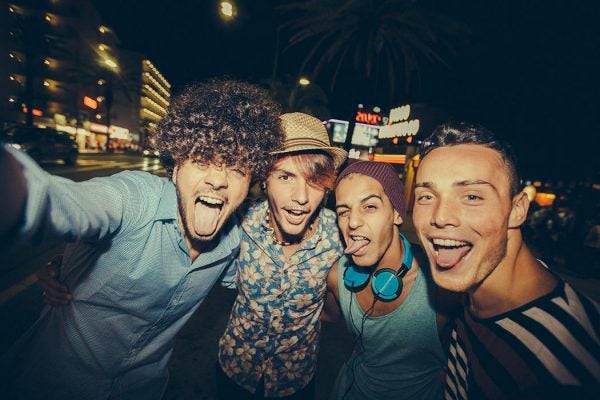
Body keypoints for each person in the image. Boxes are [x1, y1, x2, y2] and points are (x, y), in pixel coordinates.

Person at [0, 79, 284, 400]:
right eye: (202, 160)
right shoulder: (135, 198)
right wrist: (19, 191)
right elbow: (60, 201)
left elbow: (271, 281)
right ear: (175, 167)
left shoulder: (233, 242)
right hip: (50, 385)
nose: (218, 179)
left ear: (250, 183)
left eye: (236, 168)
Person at [411, 121, 600, 399]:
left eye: (472, 196)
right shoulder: (474, 282)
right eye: (426, 196)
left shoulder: (563, 366)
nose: (440, 216)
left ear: (517, 209)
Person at [215, 112, 348, 399]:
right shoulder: (241, 220)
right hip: (236, 370)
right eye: (286, 177)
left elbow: (335, 312)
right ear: (265, 179)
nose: (301, 196)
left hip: (295, 380)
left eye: (313, 180)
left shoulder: (338, 234)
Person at [325, 160, 460, 400]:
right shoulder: (337, 277)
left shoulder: (441, 284)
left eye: (369, 207)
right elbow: (328, 315)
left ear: (396, 213)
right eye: (344, 211)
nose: (353, 223)